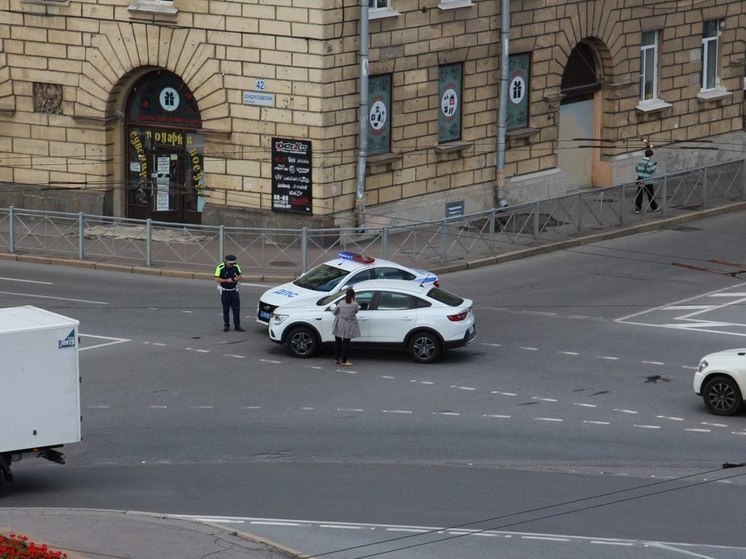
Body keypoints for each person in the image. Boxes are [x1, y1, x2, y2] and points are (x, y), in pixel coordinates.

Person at [214, 254, 244, 332]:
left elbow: (240, 274)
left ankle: (237, 325)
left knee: (236, 309)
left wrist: (237, 278)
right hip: (225, 291)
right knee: (226, 309)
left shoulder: (236, 266)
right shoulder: (220, 267)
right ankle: (226, 325)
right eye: (230, 264)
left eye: (233, 263)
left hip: (234, 291)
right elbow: (216, 279)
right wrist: (227, 280)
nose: (232, 265)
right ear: (226, 262)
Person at [332, 288, 361, 366]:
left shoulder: (341, 303)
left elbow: (334, 312)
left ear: (346, 294)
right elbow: (356, 312)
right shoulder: (355, 304)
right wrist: (354, 300)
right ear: (353, 295)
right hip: (349, 325)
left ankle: (336, 359)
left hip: (340, 324)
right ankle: (344, 361)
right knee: (346, 343)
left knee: (337, 342)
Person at [634, 148, 659, 214]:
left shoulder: (640, 161)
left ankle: (637, 209)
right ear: (650, 155)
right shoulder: (650, 163)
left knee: (639, 195)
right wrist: (654, 166)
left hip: (641, 180)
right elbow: (651, 171)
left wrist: (641, 173)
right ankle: (654, 208)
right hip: (648, 181)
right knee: (650, 195)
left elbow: (636, 169)